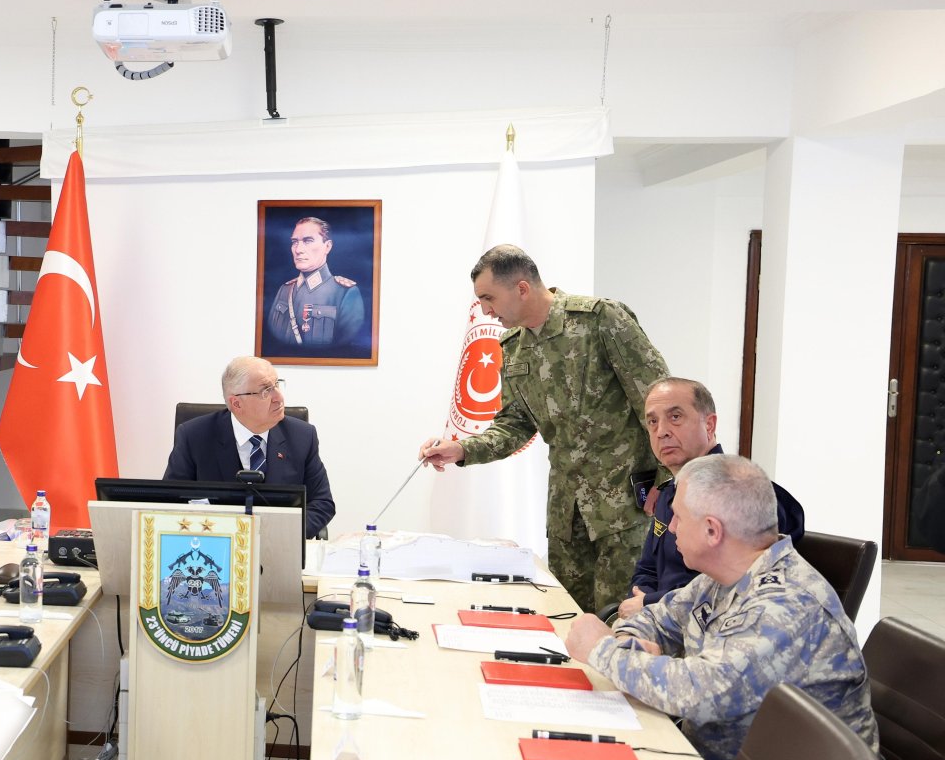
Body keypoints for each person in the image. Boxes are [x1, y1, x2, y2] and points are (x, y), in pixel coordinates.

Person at [565, 453, 893, 760]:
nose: (671, 528)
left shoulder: (785, 606)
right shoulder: (724, 577)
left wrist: (603, 651)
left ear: (712, 531)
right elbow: (656, 620)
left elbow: (700, 692)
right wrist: (629, 644)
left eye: (678, 517)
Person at [419, 244, 668, 614]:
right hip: (568, 515)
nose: (485, 310)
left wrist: (667, 482)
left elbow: (658, 401)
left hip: (625, 508)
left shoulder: (600, 320)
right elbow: (514, 425)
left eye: (489, 298)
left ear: (521, 288)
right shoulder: (513, 347)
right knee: (570, 621)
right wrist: (462, 449)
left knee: (624, 622)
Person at [613, 377, 804, 618]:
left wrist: (650, 604)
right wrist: (643, 614)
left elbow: (733, 589)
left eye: (675, 417)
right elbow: (647, 569)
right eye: (653, 421)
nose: (661, 432)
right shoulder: (669, 493)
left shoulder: (747, 497)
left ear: (710, 425)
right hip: (660, 627)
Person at [163, 356, 336, 539]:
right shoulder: (194, 436)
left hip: (280, 546)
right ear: (236, 403)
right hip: (216, 546)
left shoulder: (302, 436)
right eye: (266, 391)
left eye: (277, 385)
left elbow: (322, 502)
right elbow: (170, 502)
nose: (278, 397)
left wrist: (280, 535)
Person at [265, 217, 365, 351]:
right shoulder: (285, 290)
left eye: (308, 241)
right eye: (295, 242)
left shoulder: (345, 292)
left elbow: (347, 347)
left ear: (327, 246)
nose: (298, 249)